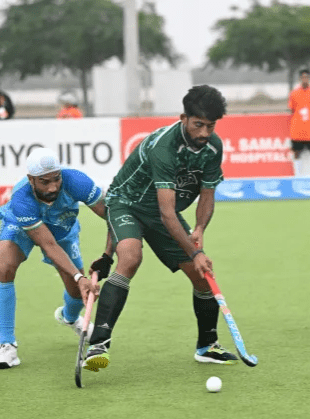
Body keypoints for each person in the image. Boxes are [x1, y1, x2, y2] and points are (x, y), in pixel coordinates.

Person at [82, 85, 239, 373]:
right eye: (198, 125)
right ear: (184, 118)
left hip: (161, 212)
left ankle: (207, 346)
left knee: (202, 277)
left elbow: (207, 194)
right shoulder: (164, 147)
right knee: (131, 257)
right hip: (127, 203)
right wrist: (195, 252)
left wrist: (200, 229)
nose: (204, 133)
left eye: (211, 126)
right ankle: (98, 344)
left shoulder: (213, 147)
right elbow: (168, 214)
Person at [0, 147, 111, 369]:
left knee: (76, 292)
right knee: (4, 266)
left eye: (56, 179)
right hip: (22, 225)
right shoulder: (21, 198)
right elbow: (48, 245)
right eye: (44, 182)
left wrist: (108, 255)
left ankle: (69, 317)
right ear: (31, 180)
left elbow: (111, 215)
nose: (53, 187)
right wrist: (79, 277)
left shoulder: (76, 181)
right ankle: (7, 346)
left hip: (62, 228)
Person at [288, 68, 310, 176]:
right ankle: (297, 175)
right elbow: (292, 109)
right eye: (303, 77)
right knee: (297, 153)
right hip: (297, 129)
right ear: (300, 79)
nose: (305, 79)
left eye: (306, 77)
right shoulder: (294, 93)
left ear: (309, 78)